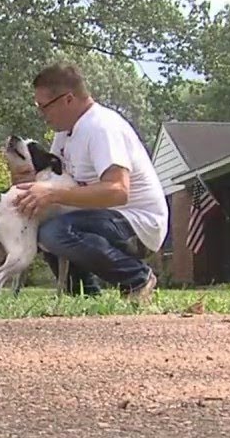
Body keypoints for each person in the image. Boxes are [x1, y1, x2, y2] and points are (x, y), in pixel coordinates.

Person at [11, 61, 166, 302]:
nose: (42, 115)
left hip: (138, 225)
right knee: (42, 223)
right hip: (102, 218)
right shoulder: (65, 134)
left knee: (56, 232)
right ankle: (83, 294)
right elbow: (57, 181)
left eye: (44, 107)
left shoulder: (102, 127)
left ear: (68, 99)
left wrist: (52, 194)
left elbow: (118, 191)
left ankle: (137, 279)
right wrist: (27, 180)